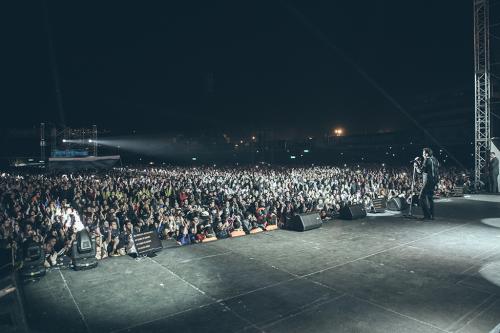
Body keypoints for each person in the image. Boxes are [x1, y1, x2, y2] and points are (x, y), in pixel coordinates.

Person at [415, 148, 439, 220]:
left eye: (423, 153)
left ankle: (427, 216)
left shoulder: (426, 160)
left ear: (427, 154)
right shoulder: (435, 159)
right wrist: (421, 163)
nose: (422, 154)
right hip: (435, 180)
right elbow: (429, 168)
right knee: (430, 198)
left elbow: (420, 171)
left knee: (421, 197)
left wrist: (416, 165)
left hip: (428, 181)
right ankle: (432, 215)